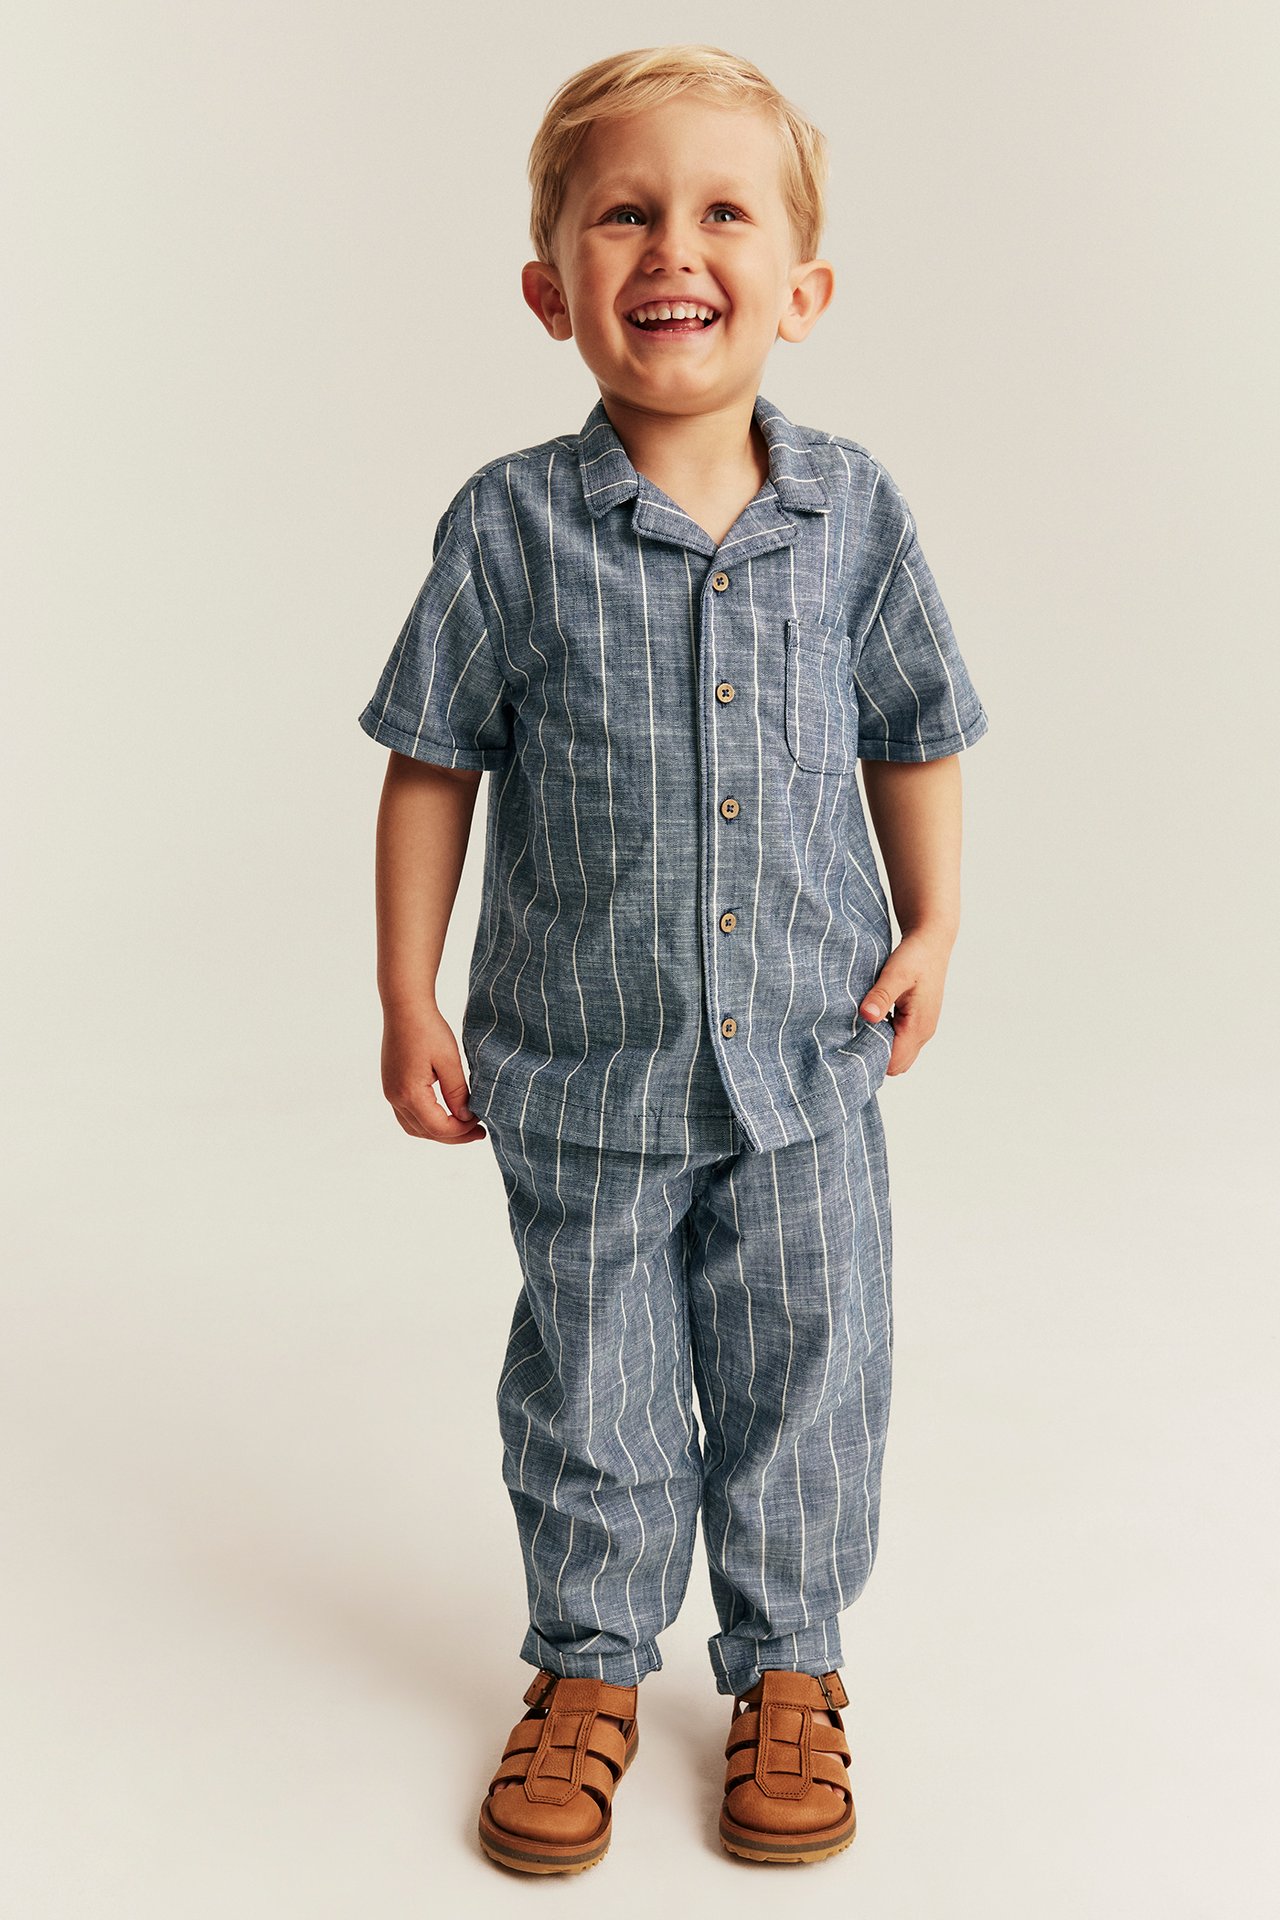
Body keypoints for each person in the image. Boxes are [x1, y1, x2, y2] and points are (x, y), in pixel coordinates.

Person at [356, 43, 990, 1875]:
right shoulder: (508, 526)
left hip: (807, 1063)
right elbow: (431, 764)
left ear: (801, 285)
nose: (672, 246)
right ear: (554, 283)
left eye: (723, 210)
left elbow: (919, 724)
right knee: (595, 1381)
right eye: (623, 211)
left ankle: (791, 1663)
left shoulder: (853, 515)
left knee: (810, 1366)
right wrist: (409, 993)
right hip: (583, 1068)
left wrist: (937, 922)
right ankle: (588, 1666)